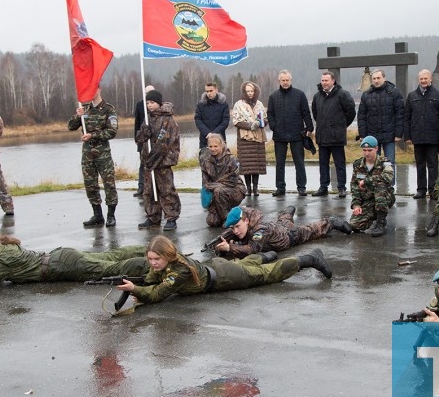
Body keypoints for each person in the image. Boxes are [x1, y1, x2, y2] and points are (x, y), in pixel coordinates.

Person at [114, 235, 332, 306]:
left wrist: (136, 289)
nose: (152, 263)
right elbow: (153, 278)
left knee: (268, 275)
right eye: (150, 259)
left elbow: (158, 294)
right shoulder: (170, 261)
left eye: (156, 259)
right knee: (245, 265)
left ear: (167, 256)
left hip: (224, 278)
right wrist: (141, 283)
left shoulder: (178, 271)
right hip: (216, 267)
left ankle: (309, 259)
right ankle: (264, 255)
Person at [0, 227, 150, 292]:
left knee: (113, 267)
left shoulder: (3, 257)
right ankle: (154, 251)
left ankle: (155, 262)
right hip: (61, 257)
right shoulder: (4, 252)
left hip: (63, 264)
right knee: (111, 256)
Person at [213, 205, 352, 259]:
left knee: (313, 230)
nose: (235, 231)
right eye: (233, 228)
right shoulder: (245, 219)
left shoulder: (260, 231)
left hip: (290, 236)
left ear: (247, 221)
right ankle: (287, 211)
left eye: (238, 226)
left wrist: (229, 247)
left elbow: (252, 249)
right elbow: (239, 212)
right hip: (278, 227)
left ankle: (331, 221)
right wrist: (223, 238)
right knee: (284, 220)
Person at [69, 88, 118, 227]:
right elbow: (70, 126)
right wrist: (78, 116)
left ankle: (111, 215)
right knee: (90, 185)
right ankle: (97, 214)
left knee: (109, 184)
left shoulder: (108, 109)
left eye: (93, 88)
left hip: (103, 154)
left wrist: (93, 135)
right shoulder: (84, 109)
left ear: (99, 89)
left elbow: (112, 131)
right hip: (87, 154)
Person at [135, 89, 181, 231]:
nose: (149, 105)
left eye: (152, 102)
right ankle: (153, 217)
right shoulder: (148, 119)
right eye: (147, 102)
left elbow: (164, 144)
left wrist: (152, 160)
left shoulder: (168, 119)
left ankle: (171, 217)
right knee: (149, 190)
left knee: (166, 190)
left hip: (163, 162)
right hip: (149, 162)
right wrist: (144, 133)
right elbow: (139, 138)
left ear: (159, 103)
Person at [267, 70, 313, 197]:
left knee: (299, 162)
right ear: (279, 81)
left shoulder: (299, 94)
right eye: (283, 80)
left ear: (290, 80)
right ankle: (280, 187)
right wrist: (273, 126)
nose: (285, 82)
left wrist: (309, 127)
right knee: (279, 163)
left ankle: (302, 187)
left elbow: (306, 112)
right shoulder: (273, 96)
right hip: (279, 134)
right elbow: (270, 114)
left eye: (287, 80)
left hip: (297, 133)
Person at [404, 69, 439, 199]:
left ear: (431, 79)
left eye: (426, 78)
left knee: (433, 165)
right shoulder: (412, 96)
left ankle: (434, 189)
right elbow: (407, 117)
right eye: (421, 79)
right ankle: (421, 189)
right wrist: (407, 136)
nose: (423, 81)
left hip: (433, 137)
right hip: (417, 137)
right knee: (420, 164)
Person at [311, 71, 356, 197]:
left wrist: (341, 125)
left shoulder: (342, 94)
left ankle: (341, 187)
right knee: (323, 164)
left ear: (333, 81)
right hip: (322, 135)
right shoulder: (317, 96)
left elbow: (351, 112)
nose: (324, 83)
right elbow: (315, 113)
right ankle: (323, 187)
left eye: (327, 80)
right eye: (323, 80)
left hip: (337, 136)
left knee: (339, 164)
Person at [358, 69, 404, 180]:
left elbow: (400, 114)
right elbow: (362, 116)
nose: (376, 81)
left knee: (389, 163)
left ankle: (389, 187)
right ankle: (374, 186)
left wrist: (398, 133)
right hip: (372, 136)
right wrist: (362, 135)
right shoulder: (366, 94)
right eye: (374, 78)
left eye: (378, 78)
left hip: (389, 135)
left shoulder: (394, 93)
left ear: (384, 78)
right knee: (372, 162)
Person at [349, 136, 394, 236]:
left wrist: (366, 181)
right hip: (368, 199)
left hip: (385, 197)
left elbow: (388, 177)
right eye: (364, 150)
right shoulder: (358, 164)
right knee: (355, 225)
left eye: (370, 150)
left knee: (380, 184)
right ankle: (373, 214)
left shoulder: (384, 162)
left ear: (376, 148)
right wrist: (356, 205)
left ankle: (381, 223)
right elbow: (354, 186)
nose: (367, 153)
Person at [231, 81, 268, 196]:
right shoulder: (238, 104)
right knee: (247, 165)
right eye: (248, 91)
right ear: (244, 92)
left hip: (258, 137)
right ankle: (248, 188)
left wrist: (261, 123)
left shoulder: (260, 104)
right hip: (245, 138)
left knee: (256, 165)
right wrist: (250, 125)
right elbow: (236, 121)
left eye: (252, 91)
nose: (250, 93)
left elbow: (265, 119)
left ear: (255, 91)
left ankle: (256, 188)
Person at [201, 134, 246, 227]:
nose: (213, 149)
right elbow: (206, 184)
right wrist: (211, 207)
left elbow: (232, 180)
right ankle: (227, 212)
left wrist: (215, 185)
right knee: (212, 222)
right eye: (210, 146)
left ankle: (227, 218)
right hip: (216, 192)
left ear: (222, 145)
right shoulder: (206, 161)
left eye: (215, 146)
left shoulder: (231, 159)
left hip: (236, 189)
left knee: (219, 190)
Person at [193, 82, 230, 151]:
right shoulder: (201, 104)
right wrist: (207, 133)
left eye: (211, 91)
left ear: (216, 90)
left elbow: (225, 121)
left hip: (220, 139)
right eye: (207, 91)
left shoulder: (223, 104)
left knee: (222, 161)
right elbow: (198, 120)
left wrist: (214, 134)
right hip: (205, 139)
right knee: (205, 160)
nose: (209, 93)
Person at [132, 86, 154, 198]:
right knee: (142, 165)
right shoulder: (140, 105)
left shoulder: (157, 104)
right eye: (146, 93)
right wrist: (136, 138)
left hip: (154, 140)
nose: (148, 94)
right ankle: (141, 187)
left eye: (150, 92)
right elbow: (137, 122)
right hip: (142, 140)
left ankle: (154, 187)